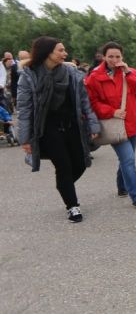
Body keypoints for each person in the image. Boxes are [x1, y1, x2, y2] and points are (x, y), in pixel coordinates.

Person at [16, 37, 100, 222]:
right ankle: (72, 206)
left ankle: (64, 185)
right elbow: (24, 110)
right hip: (48, 129)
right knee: (63, 166)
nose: (65, 53)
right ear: (47, 53)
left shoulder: (71, 73)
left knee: (80, 163)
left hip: (73, 125)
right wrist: (25, 138)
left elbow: (84, 101)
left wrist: (93, 124)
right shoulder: (29, 76)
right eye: (60, 50)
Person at [85, 41, 136, 209]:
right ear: (103, 57)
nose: (114, 60)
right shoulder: (94, 77)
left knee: (127, 159)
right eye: (110, 56)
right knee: (128, 159)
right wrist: (111, 111)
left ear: (122, 57)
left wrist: (128, 73)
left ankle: (122, 186)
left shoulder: (130, 72)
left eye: (118, 56)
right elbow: (91, 102)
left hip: (133, 122)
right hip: (114, 125)